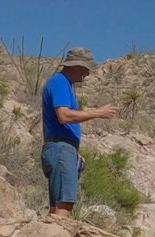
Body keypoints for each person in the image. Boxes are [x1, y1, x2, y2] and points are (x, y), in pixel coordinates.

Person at [40, 47, 117, 218]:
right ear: (76, 66)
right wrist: (97, 113)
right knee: (64, 204)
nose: (87, 74)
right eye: (86, 69)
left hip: (62, 148)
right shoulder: (60, 82)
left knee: (57, 205)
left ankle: (49, 234)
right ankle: (56, 235)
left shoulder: (62, 83)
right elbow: (64, 115)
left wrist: (73, 151)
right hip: (61, 149)